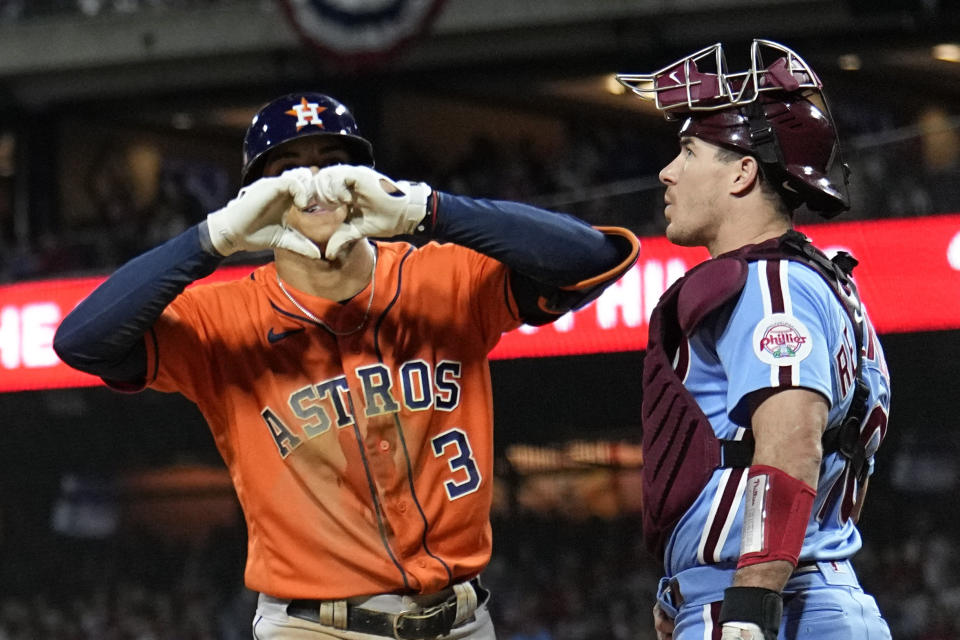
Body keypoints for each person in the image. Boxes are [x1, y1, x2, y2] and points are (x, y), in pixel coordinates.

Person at [53, 92, 638, 639]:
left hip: (463, 618)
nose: (313, 186)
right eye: (287, 171)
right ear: (254, 196)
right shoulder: (220, 318)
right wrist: (213, 238)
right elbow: (83, 341)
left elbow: (590, 257)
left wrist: (428, 209)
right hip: (313, 626)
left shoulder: (445, 276)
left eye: (333, 162)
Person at [615, 40, 892, 639]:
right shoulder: (818, 280)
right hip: (805, 591)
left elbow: (792, 447)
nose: (668, 171)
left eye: (688, 151)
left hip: (780, 606)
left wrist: (748, 605)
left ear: (743, 171)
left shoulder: (770, 283)